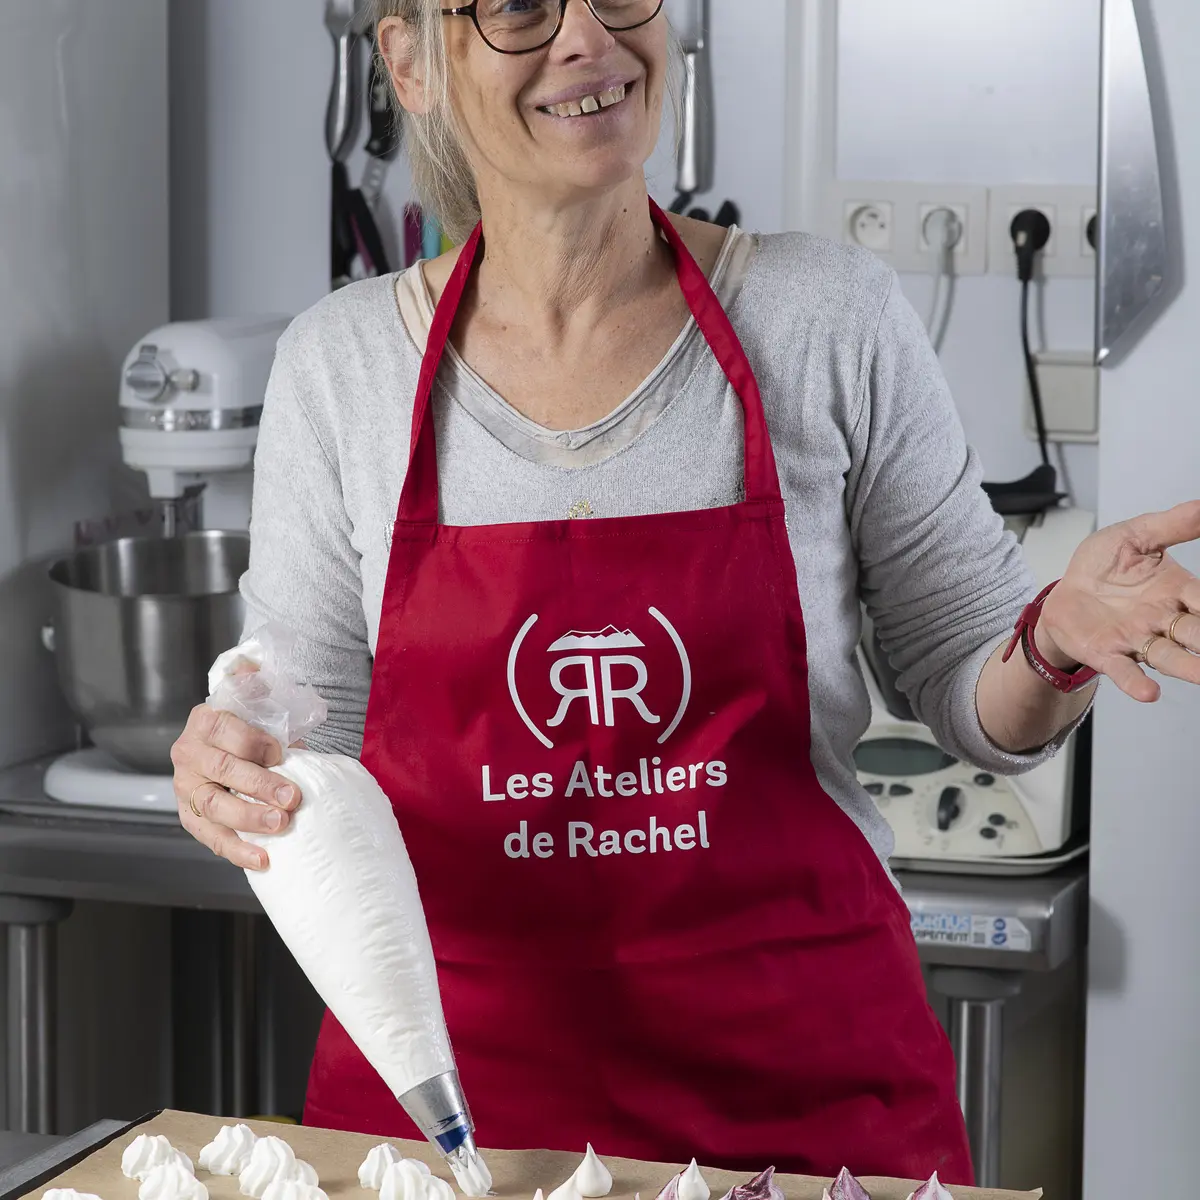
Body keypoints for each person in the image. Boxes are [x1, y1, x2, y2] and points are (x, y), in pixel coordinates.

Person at [170, 0, 1200, 1182]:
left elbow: (980, 696)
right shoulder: (341, 366)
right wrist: (243, 760)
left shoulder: (824, 317)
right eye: (516, 8)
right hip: (457, 1126)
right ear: (410, 59)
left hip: (804, 1115)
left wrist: (1054, 642)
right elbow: (306, 725)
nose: (587, 39)